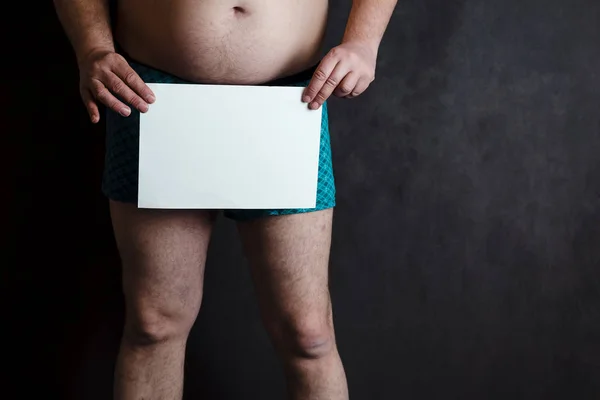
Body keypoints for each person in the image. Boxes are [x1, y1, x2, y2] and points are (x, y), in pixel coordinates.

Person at [53, 0, 396, 398]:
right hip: (152, 90)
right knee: (154, 325)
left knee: (309, 336)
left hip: (291, 96)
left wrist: (364, 42)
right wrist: (92, 48)